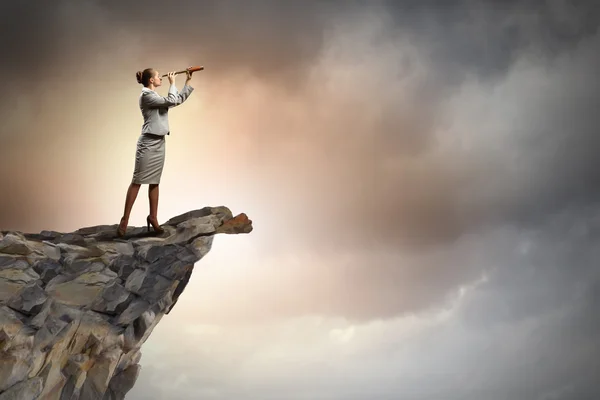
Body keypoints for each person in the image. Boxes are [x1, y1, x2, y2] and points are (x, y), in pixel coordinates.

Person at [116, 67, 195, 237]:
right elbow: (172, 100)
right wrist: (173, 83)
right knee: (137, 181)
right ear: (151, 80)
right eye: (159, 76)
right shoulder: (147, 95)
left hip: (159, 143)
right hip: (148, 143)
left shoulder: (156, 96)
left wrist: (187, 81)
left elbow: (177, 100)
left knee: (155, 181)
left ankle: (153, 217)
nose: (161, 78)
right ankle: (124, 220)